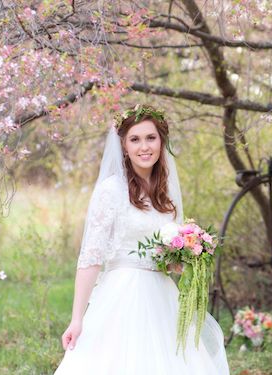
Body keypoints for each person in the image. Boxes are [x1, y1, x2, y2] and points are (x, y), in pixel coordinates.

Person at [54, 104, 230, 374]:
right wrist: (77, 319)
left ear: (161, 142)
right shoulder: (111, 190)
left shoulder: (165, 193)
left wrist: (183, 258)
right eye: (135, 139)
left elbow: (165, 259)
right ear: (124, 146)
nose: (144, 147)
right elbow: (91, 257)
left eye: (151, 138)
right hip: (123, 295)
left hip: (162, 296)